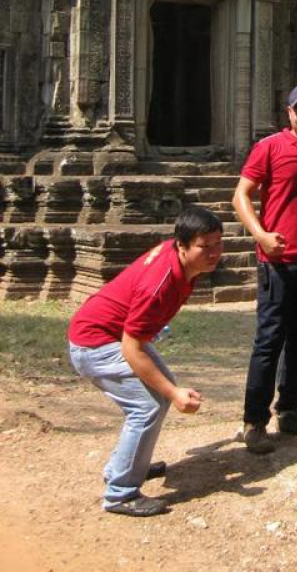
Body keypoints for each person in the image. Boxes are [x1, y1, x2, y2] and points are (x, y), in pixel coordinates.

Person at [68, 205, 224, 517]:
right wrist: (175, 393)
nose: (214, 253)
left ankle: (125, 465)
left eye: (219, 243)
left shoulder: (180, 259)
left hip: (116, 337)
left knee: (155, 399)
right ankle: (120, 493)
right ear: (181, 245)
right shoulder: (160, 282)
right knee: (148, 404)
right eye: (205, 247)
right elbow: (132, 349)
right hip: (96, 344)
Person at [234, 82, 297, 454]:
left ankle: (290, 411)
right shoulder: (270, 148)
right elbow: (241, 195)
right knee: (269, 342)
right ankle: (254, 421)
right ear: (288, 113)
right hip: (278, 262)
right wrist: (261, 235)